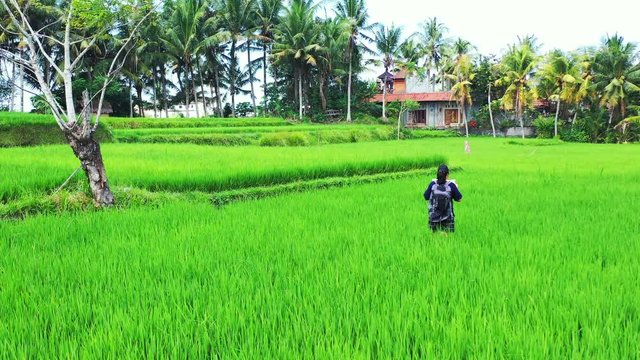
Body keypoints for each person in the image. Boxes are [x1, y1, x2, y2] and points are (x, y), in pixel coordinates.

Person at [424, 164, 462, 232]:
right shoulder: (451, 185)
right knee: (448, 240)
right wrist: (457, 187)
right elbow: (459, 199)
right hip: (448, 219)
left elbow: (426, 197)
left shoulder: (432, 184)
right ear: (447, 175)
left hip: (433, 218)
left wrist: (428, 187)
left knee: (433, 239)